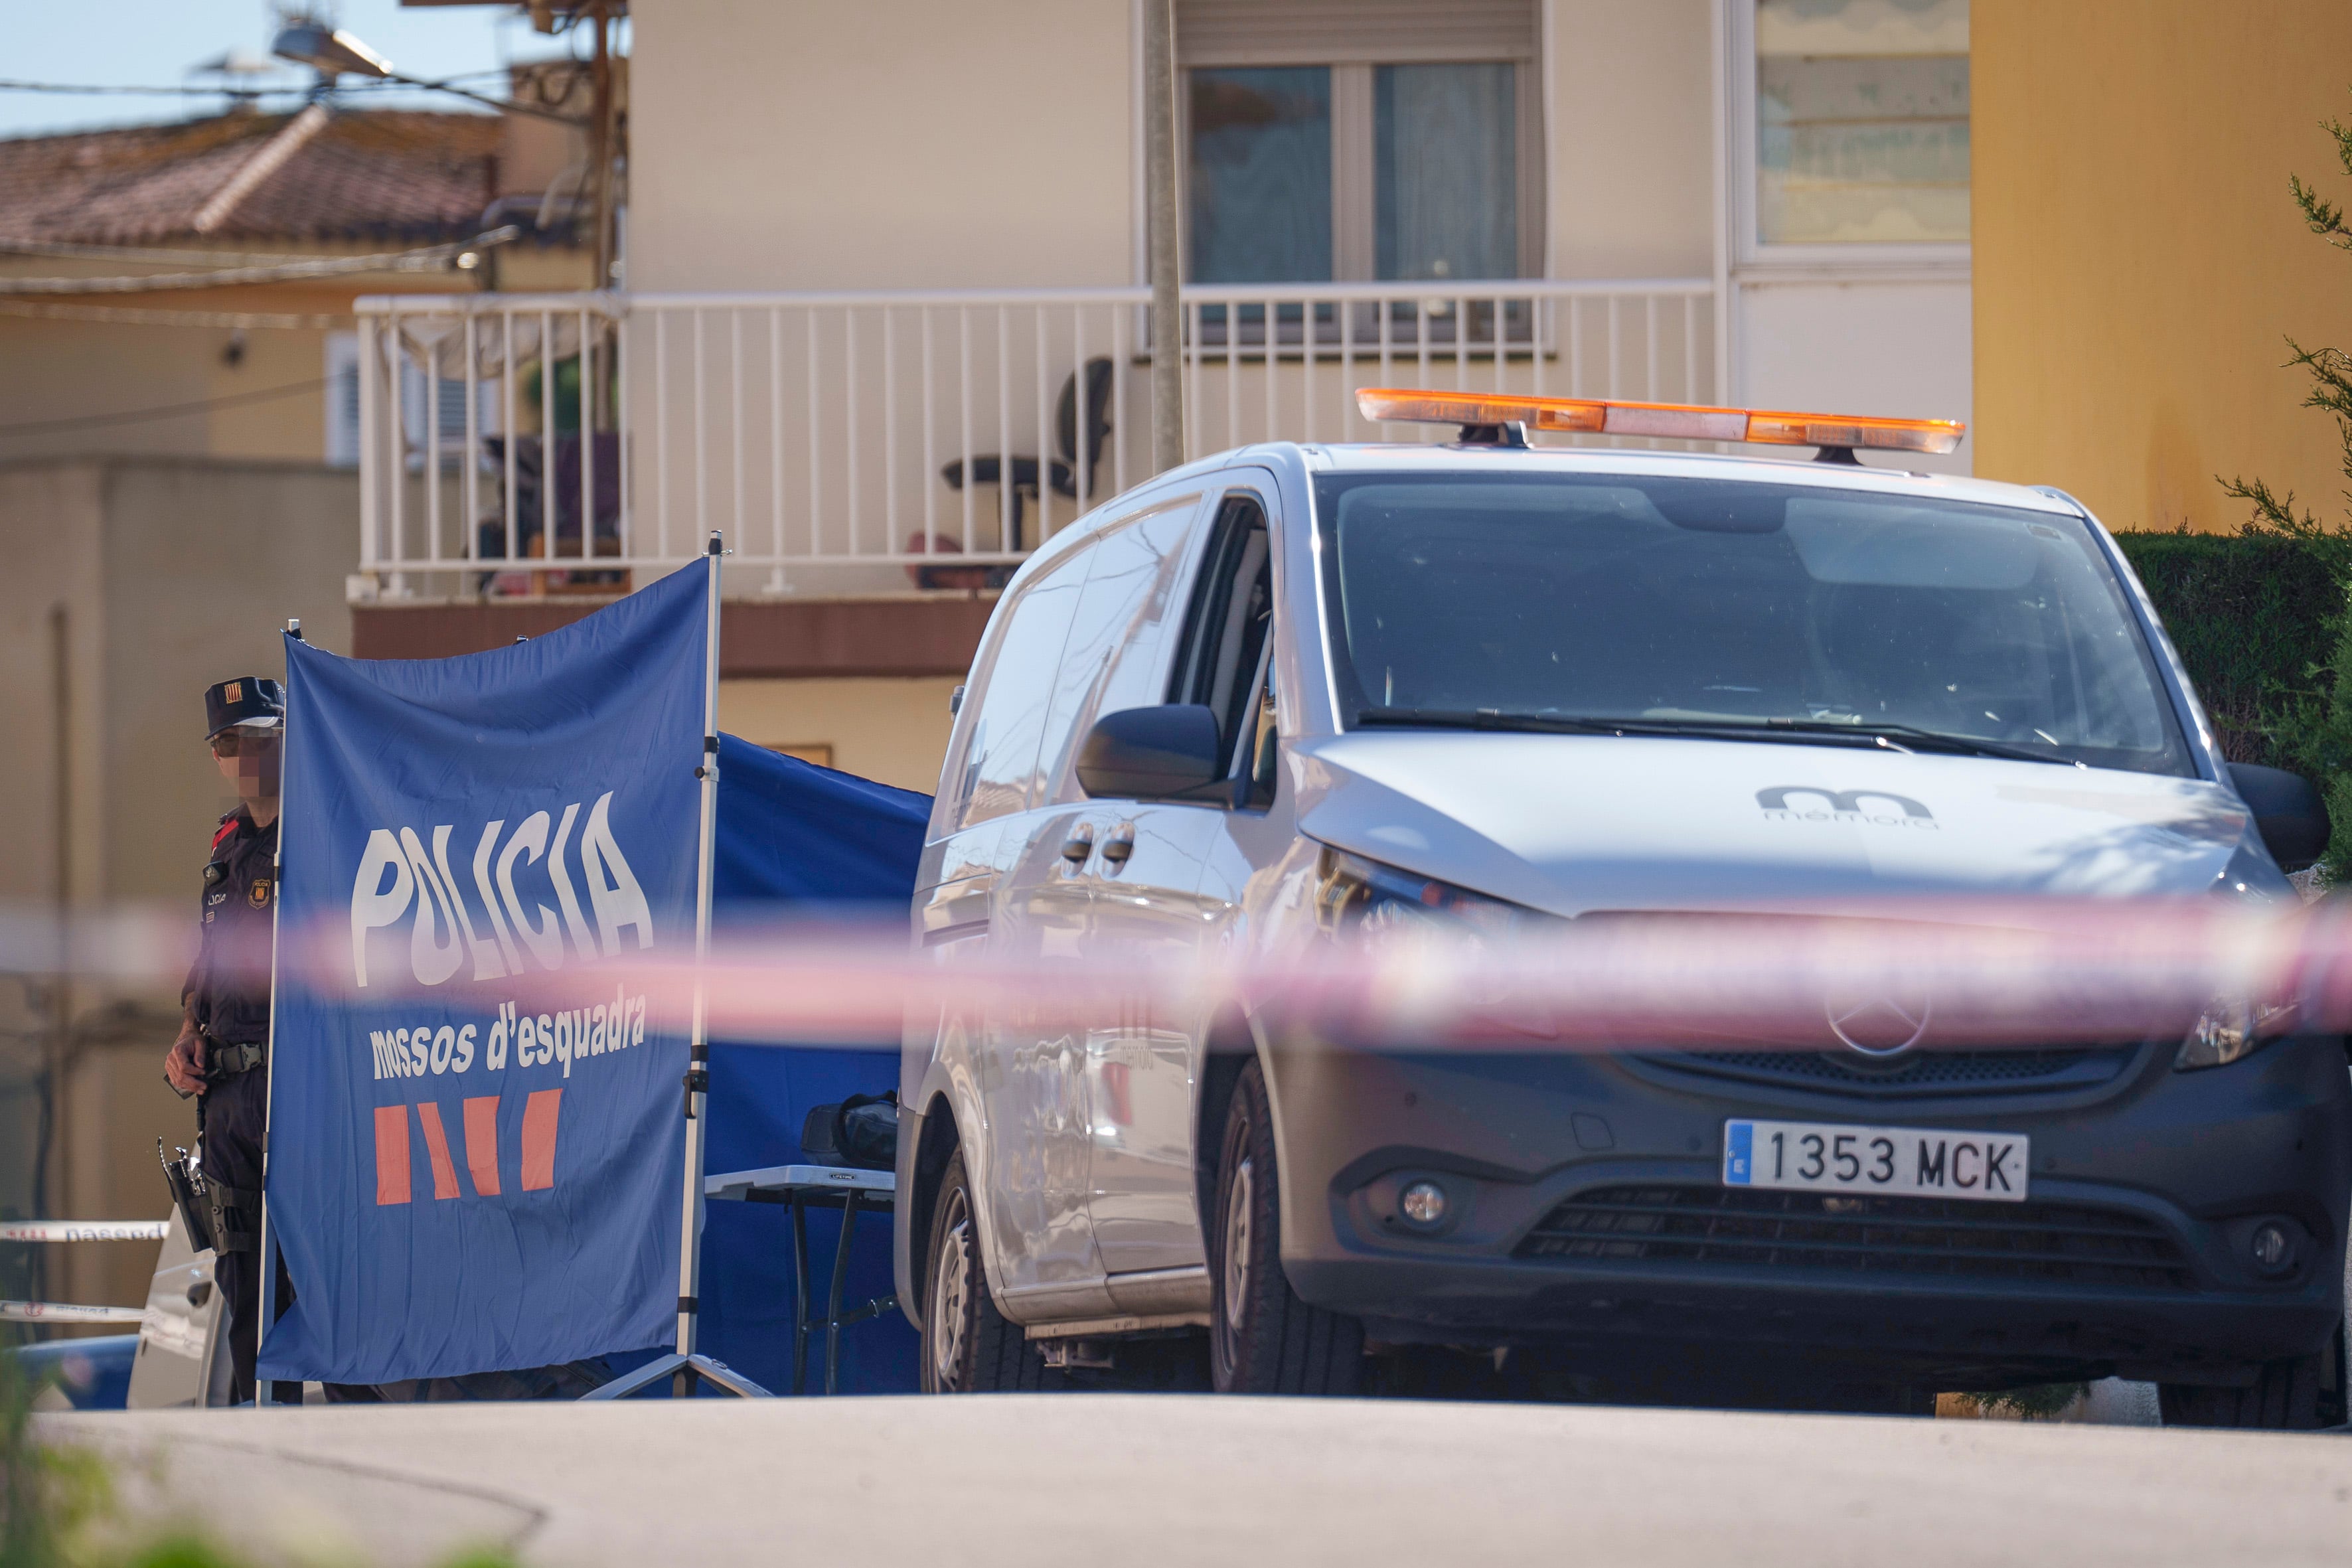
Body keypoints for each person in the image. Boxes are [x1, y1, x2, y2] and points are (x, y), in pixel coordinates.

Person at [163, 676, 292, 1405]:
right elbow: (203, 970)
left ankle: (354, 1454)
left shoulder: (318, 838)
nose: (241, 754)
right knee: (246, 1293)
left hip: (298, 1096)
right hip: (229, 1106)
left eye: (257, 738)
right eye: (226, 742)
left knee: (313, 1287)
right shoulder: (225, 848)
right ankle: (259, 1444)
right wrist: (185, 1039)